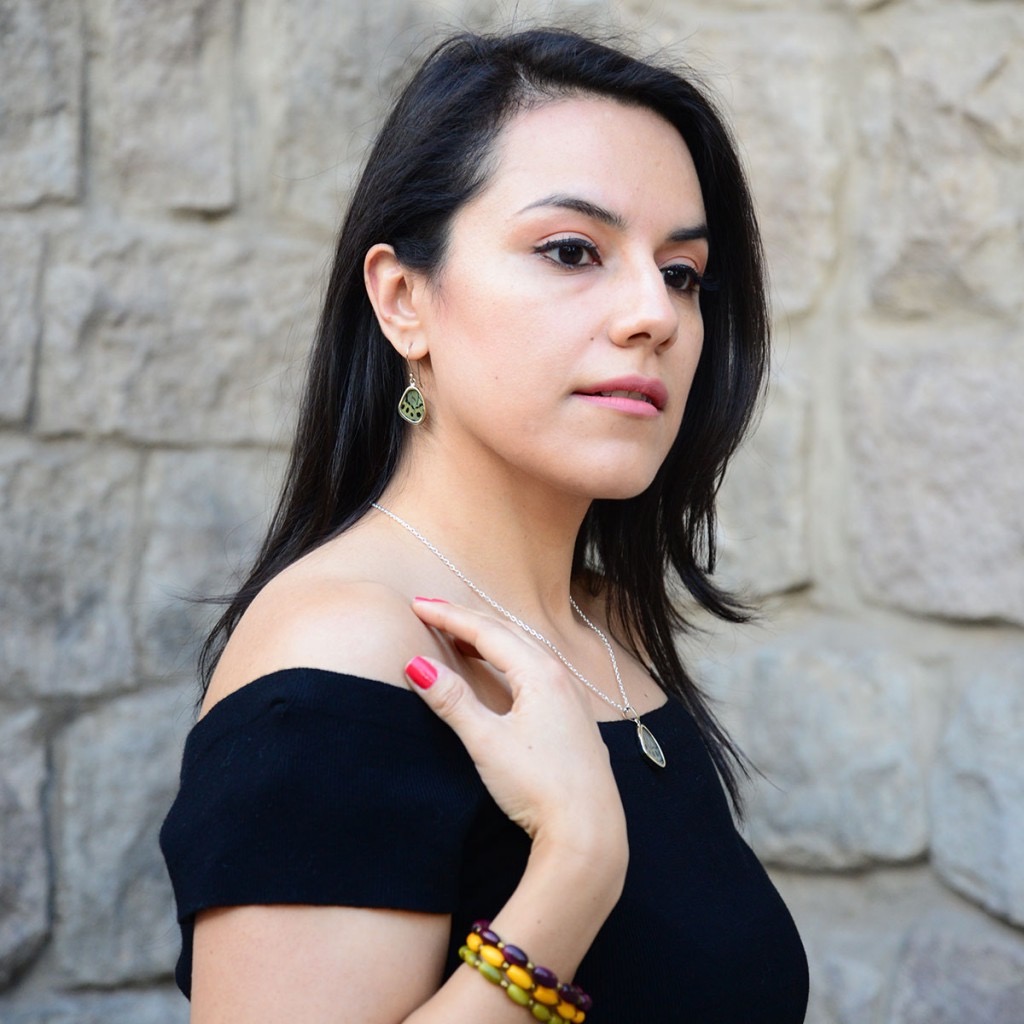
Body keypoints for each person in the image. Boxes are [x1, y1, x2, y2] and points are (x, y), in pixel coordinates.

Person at [160, 26, 809, 1023]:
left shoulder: (607, 627)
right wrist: (574, 868)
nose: (655, 314)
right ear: (403, 300)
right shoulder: (340, 654)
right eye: (571, 251)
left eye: (682, 271)